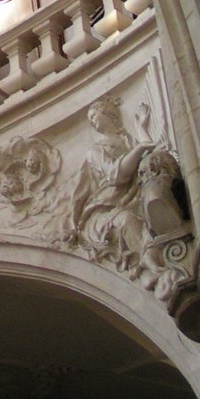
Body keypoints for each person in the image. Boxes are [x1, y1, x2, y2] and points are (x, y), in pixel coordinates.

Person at [67, 97, 153, 271]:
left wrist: (141, 128)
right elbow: (116, 175)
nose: (91, 121)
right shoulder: (95, 151)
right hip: (102, 212)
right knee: (127, 220)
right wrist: (141, 147)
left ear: (106, 113)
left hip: (132, 198)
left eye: (94, 115)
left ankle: (154, 259)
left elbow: (148, 150)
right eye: (89, 119)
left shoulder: (127, 140)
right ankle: (151, 264)